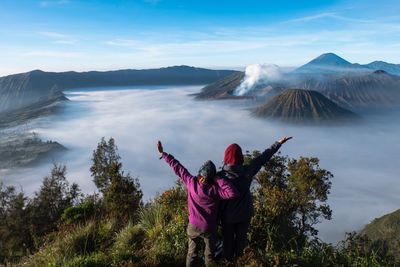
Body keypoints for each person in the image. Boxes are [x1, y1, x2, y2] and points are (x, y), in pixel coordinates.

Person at [157, 140, 239, 267]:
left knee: (191, 253)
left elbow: (178, 167)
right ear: (212, 177)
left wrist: (164, 154)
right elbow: (232, 193)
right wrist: (219, 179)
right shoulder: (215, 190)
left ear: (200, 172)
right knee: (209, 255)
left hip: (193, 226)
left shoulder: (191, 182)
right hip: (209, 229)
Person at [218, 136, 292, 261]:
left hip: (227, 217)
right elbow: (263, 158)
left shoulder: (219, 177)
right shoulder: (248, 171)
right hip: (244, 215)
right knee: (240, 242)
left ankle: (227, 262)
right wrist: (278, 143)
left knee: (227, 242)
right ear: (241, 157)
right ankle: (240, 261)